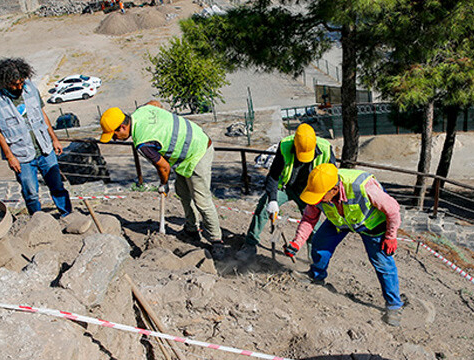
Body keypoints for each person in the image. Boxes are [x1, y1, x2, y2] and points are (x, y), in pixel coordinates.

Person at [99, 102, 225, 258]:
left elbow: (164, 167)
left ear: (123, 127)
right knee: (182, 192)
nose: (115, 140)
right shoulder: (142, 111)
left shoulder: (142, 143)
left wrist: (163, 184)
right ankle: (191, 229)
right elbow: (155, 103)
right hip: (187, 149)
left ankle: (216, 240)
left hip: (198, 152)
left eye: (114, 135)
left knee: (201, 200)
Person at [285, 163, 403, 326]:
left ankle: (394, 306)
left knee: (383, 264)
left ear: (334, 189)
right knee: (320, 244)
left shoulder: (363, 187)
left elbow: (393, 210)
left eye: (319, 196)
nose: (316, 200)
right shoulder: (318, 188)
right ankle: (316, 276)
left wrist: (390, 236)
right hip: (340, 221)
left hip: (373, 224)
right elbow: (309, 219)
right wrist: (297, 242)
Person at [0, 58, 71, 217]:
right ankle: (37, 220)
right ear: (4, 82)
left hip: (44, 148)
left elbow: (42, 114)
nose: (19, 87)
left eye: (21, 83)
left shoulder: (30, 87)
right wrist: (10, 156)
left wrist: (54, 139)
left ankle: (67, 214)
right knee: (30, 192)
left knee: (57, 186)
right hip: (21, 155)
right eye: (15, 84)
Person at [237, 123, 335, 259]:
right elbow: (273, 175)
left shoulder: (325, 149)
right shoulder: (285, 146)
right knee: (263, 205)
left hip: (309, 192)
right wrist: (272, 200)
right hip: (286, 186)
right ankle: (250, 244)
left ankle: (313, 259)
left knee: (313, 224)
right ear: (295, 144)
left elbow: (332, 178)